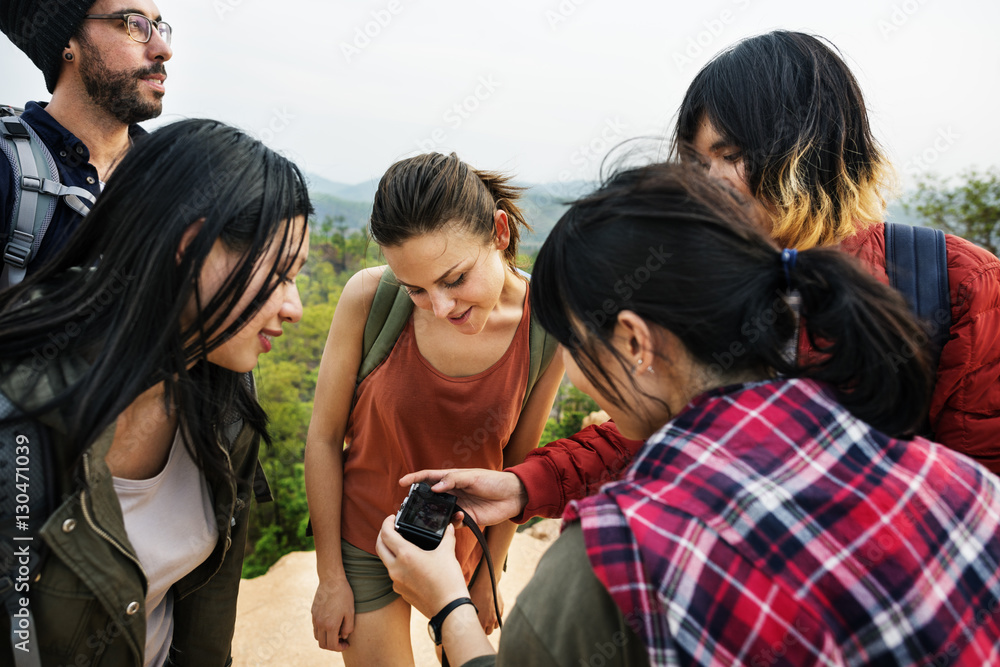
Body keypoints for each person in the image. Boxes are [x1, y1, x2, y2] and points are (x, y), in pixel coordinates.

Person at [377, 163, 1000, 667]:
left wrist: (446, 606)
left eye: (569, 345)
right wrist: (521, 486)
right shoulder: (961, 483)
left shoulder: (612, 564)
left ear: (633, 343)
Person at [403, 29, 1000, 526]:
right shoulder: (703, 276)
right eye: (695, 161)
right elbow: (660, 414)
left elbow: (979, 511)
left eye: (732, 155)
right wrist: (525, 486)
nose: (708, 184)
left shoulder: (959, 288)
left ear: (814, 150)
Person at [0, 118, 311, 667]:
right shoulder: (21, 413)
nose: (294, 306)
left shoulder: (228, 398)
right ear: (191, 248)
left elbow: (208, 614)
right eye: (278, 273)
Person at [304, 151, 564, 665]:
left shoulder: (545, 325)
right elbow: (323, 438)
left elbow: (519, 462)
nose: (442, 308)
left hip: (468, 545)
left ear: (500, 232)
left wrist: (493, 570)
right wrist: (329, 576)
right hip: (367, 537)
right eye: (416, 290)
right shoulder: (367, 298)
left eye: (455, 279)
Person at [1, 0, 172, 277]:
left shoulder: (176, 176)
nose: (164, 50)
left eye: (158, 28)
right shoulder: (7, 167)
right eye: (134, 25)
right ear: (68, 43)